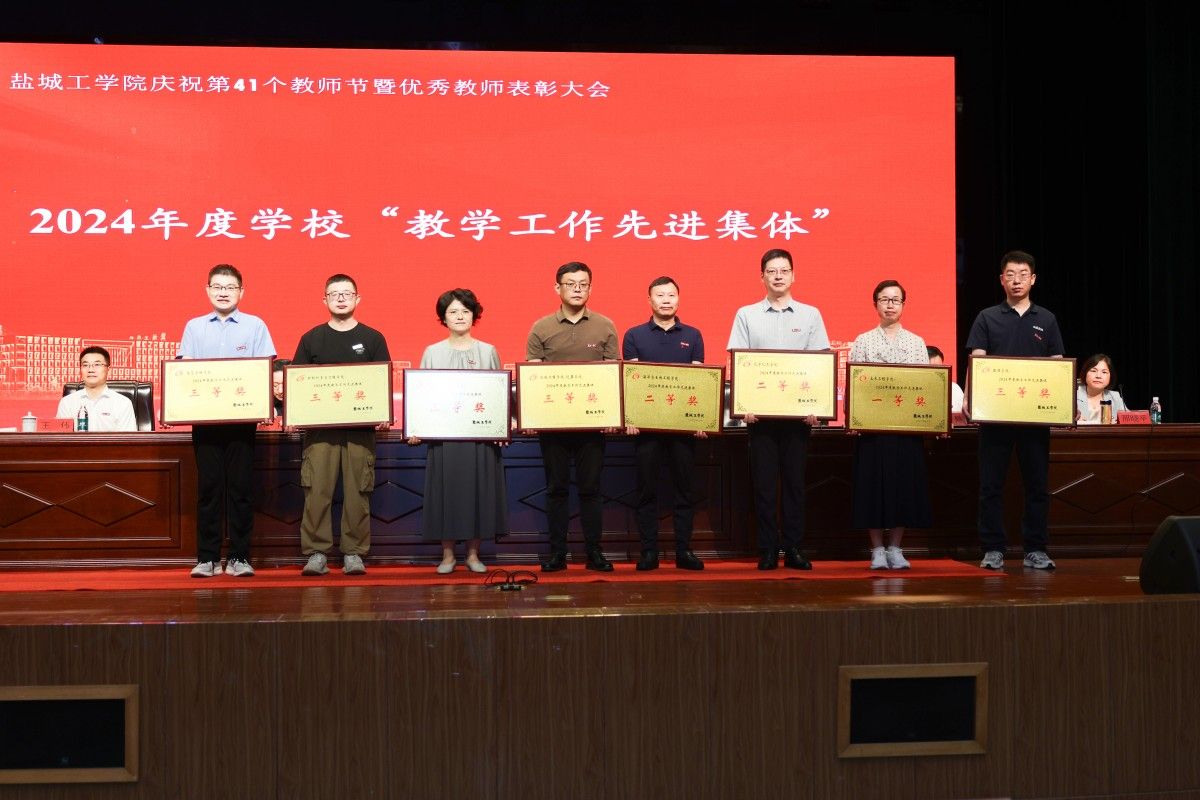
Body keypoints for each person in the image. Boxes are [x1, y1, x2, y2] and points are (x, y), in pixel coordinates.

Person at [727, 248, 829, 571]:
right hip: (761, 417)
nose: (778, 276)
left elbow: (820, 365)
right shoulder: (746, 314)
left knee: (795, 485)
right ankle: (768, 549)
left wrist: (817, 407)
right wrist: (743, 405)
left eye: (784, 270)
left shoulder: (810, 315)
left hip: (799, 418)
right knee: (764, 486)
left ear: (793, 275)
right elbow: (739, 362)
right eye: (772, 271)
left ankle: (794, 548)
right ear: (762, 277)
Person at [966, 250, 1065, 570]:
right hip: (995, 416)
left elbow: (1057, 366)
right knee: (990, 485)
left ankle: (1035, 549)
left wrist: (1063, 404)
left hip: (1034, 418)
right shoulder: (987, 317)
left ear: (1033, 279)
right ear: (1001, 280)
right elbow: (976, 361)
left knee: (1037, 485)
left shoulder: (1046, 319)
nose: (1017, 280)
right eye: (1010, 274)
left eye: (1023, 274)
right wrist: (969, 398)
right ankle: (992, 548)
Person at [177, 264, 277, 578]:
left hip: (242, 421)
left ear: (241, 292)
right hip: (205, 422)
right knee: (209, 489)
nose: (223, 292)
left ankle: (239, 557)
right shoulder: (194, 327)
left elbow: (264, 370)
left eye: (230, 287)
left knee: (240, 489)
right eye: (218, 287)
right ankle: (206, 558)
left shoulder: (255, 326)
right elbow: (184, 373)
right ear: (207, 290)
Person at [292, 274, 391, 576]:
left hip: (359, 432)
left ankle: (354, 552)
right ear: (324, 299)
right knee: (316, 492)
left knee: (358, 492)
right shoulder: (311, 338)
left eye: (346, 293)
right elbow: (298, 384)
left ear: (357, 298)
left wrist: (382, 411)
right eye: (334, 294)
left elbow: (381, 383)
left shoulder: (373, 338)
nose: (340, 298)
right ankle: (316, 553)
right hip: (320, 432)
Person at [525, 261, 619, 572]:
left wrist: (613, 415)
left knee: (591, 490)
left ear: (590, 288)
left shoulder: (605, 326)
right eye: (570, 284)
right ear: (558, 288)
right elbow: (533, 379)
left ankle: (594, 553)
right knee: (557, 489)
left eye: (583, 284)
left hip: (592, 425)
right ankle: (557, 554)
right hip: (553, 426)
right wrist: (532, 416)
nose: (577, 289)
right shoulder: (541, 328)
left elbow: (612, 376)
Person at [409, 288, 508, 574]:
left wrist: (502, 427)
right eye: (453, 311)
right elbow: (422, 396)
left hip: (479, 438)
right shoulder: (432, 352)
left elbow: (498, 395)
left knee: (479, 493)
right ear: (443, 317)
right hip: (444, 438)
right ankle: (448, 555)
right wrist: (415, 427)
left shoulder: (488, 351)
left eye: (465, 311)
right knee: (446, 494)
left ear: (474, 315)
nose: (460, 316)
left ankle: (473, 555)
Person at [622, 276, 706, 571]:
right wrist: (631, 418)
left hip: (683, 429)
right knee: (647, 492)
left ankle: (684, 551)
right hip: (646, 431)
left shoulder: (693, 335)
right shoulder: (634, 335)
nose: (666, 300)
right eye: (660, 295)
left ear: (678, 299)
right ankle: (649, 553)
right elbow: (632, 383)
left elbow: (699, 383)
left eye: (671, 294)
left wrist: (702, 418)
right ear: (650, 300)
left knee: (685, 491)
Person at [849, 280, 932, 570]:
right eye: (884, 299)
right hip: (872, 428)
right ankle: (876, 550)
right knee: (871, 487)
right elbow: (855, 384)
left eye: (895, 300)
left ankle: (896, 548)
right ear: (875, 304)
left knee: (903, 487)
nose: (890, 305)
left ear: (903, 305)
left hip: (905, 428)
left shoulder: (916, 342)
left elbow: (925, 386)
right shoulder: (863, 341)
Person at [56, 346, 137, 432]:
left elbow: (127, 439)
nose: (91, 370)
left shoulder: (122, 403)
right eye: (85, 365)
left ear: (108, 369)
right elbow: (61, 438)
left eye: (97, 365)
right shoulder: (67, 403)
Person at [1076, 354, 1128, 424]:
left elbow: (1129, 421)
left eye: (1104, 372)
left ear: (1110, 376)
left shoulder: (1115, 397)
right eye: (1093, 371)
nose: (1098, 376)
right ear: (1085, 373)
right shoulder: (1073, 396)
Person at [926, 345, 964, 413]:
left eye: (939, 368)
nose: (935, 372)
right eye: (930, 368)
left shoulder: (954, 388)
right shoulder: (914, 389)